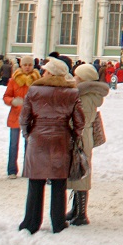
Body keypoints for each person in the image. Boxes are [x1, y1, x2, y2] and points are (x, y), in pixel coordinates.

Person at [18, 58, 84, 234]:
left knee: (35, 182)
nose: (43, 72)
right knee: (59, 182)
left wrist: (28, 134)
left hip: (37, 138)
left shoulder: (34, 90)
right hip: (61, 139)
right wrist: (74, 135)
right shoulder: (71, 92)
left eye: (45, 70)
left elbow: (24, 118)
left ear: (50, 73)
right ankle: (58, 221)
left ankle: (31, 222)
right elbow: (79, 121)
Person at [66, 64, 109, 226]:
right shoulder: (89, 94)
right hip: (84, 135)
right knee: (80, 171)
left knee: (82, 172)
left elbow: (77, 119)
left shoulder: (84, 96)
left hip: (81, 136)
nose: (74, 78)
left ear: (82, 79)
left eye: (77, 76)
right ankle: (76, 208)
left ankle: (81, 213)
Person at [3, 57, 41, 179]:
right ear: (21, 65)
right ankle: (12, 170)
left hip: (30, 116)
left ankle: (28, 169)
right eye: (25, 64)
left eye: (30, 64)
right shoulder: (13, 80)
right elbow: (6, 96)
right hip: (16, 116)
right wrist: (13, 101)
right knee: (13, 144)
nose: (27, 67)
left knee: (29, 145)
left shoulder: (37, 80)